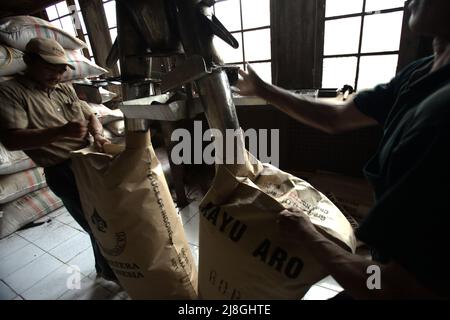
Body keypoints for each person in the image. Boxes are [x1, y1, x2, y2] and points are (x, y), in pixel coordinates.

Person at [236, 0, 450, 299]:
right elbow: (334, 117)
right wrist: (263, 90)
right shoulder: (418, 74)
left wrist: (308, 236)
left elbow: (391, 286)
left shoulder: (440, 119)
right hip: (383, 269)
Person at [0, 37, 117, 281]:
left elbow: (90, 114)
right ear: (29, 61)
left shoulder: (64, 86)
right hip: (62, 170)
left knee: (110, 217)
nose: (58, 73)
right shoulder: (10, 92)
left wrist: (98, 136)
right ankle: (114, 272)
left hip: (89, 159)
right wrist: (60, 132)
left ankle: (110, 268)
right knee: (96, 224)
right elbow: (12, 140)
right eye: (50, 67)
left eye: (62, 68)